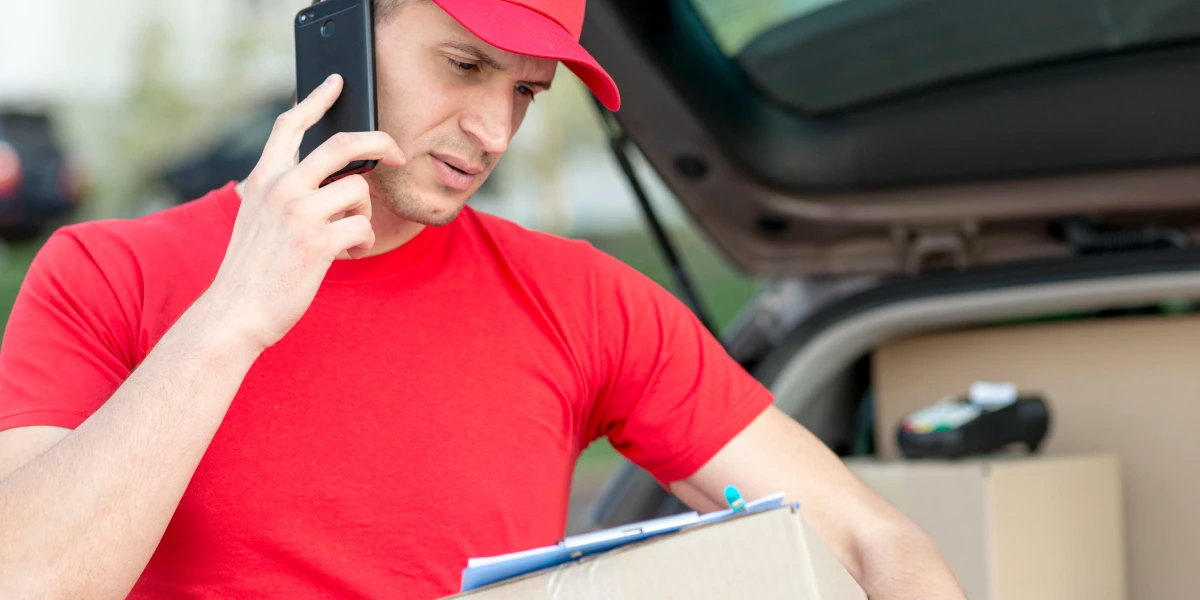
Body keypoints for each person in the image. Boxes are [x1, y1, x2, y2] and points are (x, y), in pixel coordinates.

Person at [0, 0, 965, 598]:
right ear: (341, 27)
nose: (492, 129)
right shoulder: (106, 273)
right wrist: (234, 318)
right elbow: (28, 579)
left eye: (526, 93)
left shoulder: (585, 302)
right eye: (463, 66)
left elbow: (874, 540)